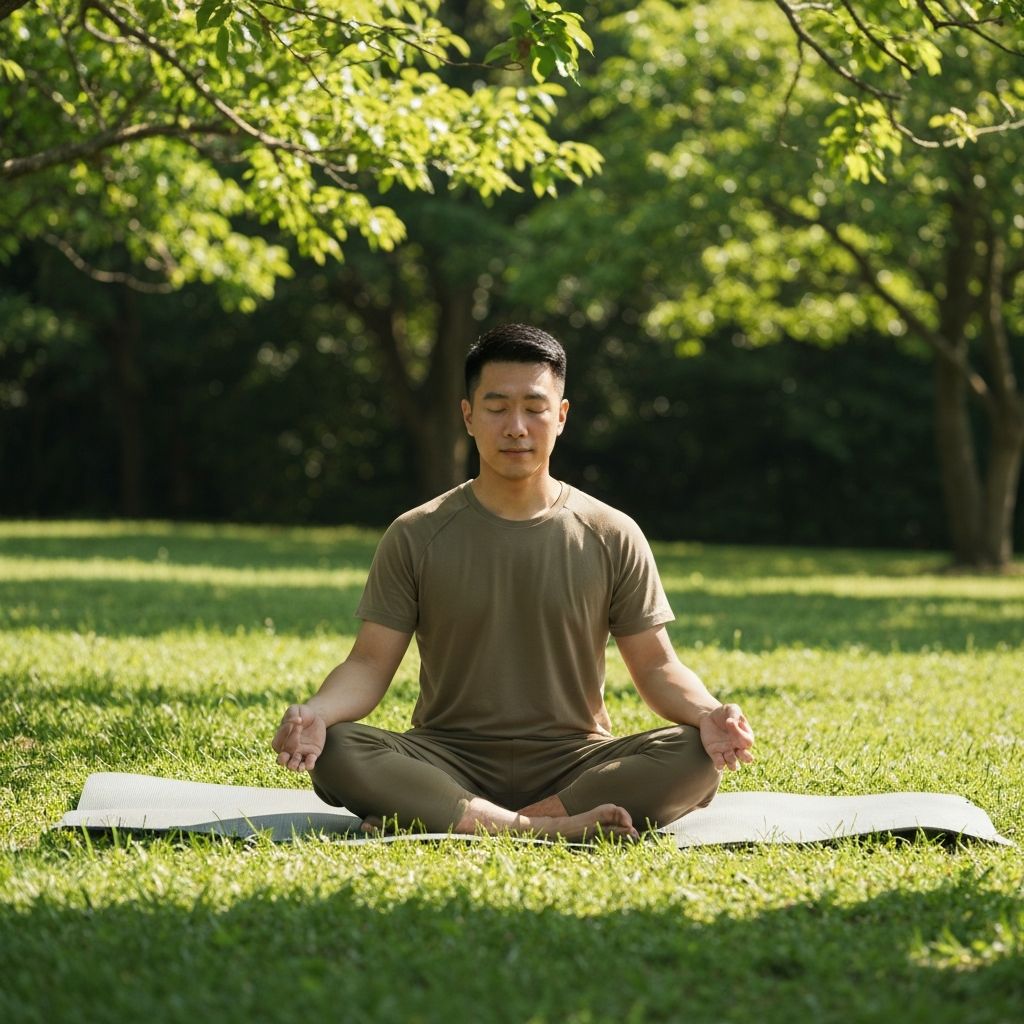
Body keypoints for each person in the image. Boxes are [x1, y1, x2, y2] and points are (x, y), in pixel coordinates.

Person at [272, 323, 754, 840]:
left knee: (693, 756)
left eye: (534, 407)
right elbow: (368, 663)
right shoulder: (416, 533)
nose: (516, 427)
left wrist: (708, 714)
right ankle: (539, 828)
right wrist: (317, 713)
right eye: (497, 408)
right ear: (469, 416)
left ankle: (469, 818)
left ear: (562, 416)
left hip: (575, 763)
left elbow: (658, 665)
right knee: (340, 749)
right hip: (446, 758)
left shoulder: (612, 533)